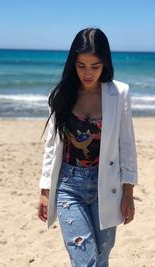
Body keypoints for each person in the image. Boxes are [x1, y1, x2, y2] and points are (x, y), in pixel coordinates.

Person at [38, 28, 138, 267]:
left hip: (107, 184)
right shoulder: (61, 95)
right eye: (81, 65)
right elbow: (52, 145)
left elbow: (127, 145)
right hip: (68, 186)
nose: (88, 72)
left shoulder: (119, 93)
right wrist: (44, 190)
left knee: (101, 257)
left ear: (105, 63)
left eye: (95, 65)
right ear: (73, 63)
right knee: (85, 259)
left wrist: (128, 193)